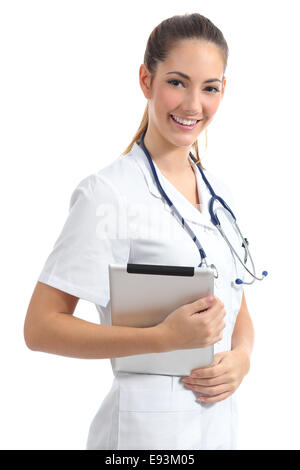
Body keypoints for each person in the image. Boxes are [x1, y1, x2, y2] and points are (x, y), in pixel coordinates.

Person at [24, 13, 254, 450]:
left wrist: (241, 359)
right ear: (147, 81)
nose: (192, 105)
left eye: (209, 88)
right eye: (177, 82)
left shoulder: (220, 196)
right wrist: (161, 339)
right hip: (142, 440)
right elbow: (39, 327)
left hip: (218, 432)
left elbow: (237, 307)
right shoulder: (107, 194)